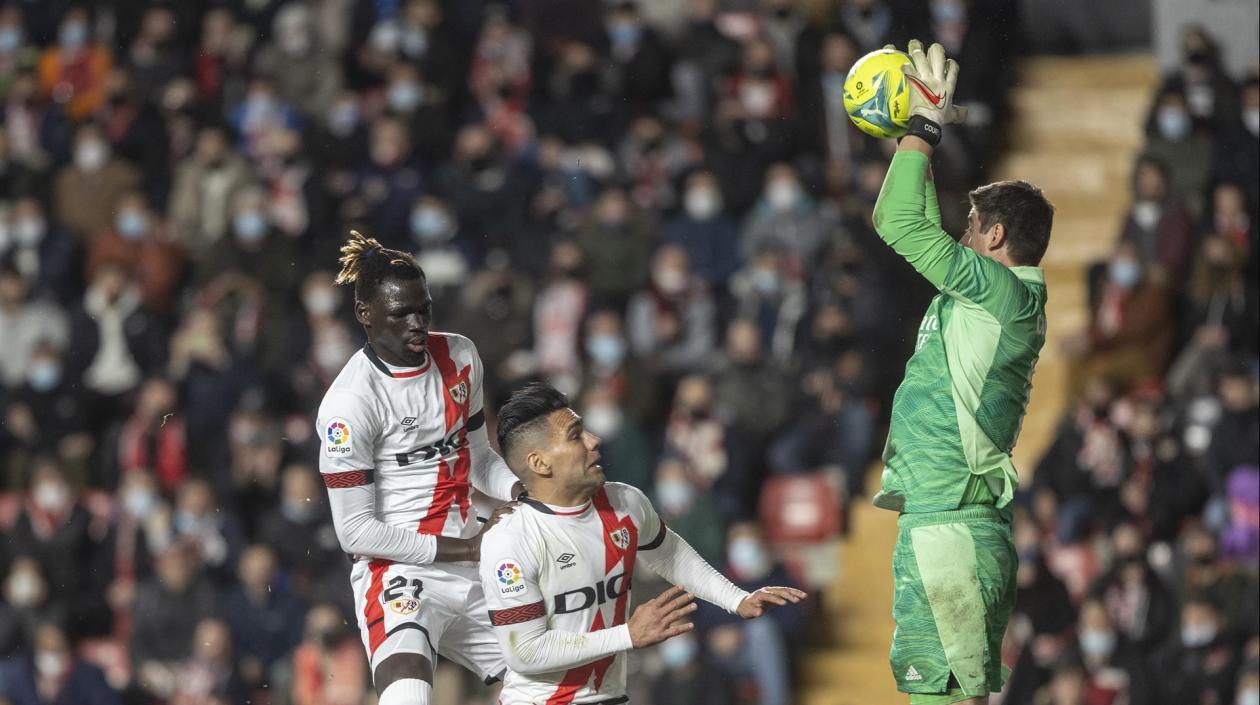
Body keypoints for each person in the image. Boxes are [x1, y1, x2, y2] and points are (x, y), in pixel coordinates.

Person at [871, 41, 1054, 704]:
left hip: (950, 530)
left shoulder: (999, 294)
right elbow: (912, 221)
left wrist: (922, 129)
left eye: (973, 226)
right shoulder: (999, 302)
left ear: (998, 237)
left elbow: (895, 220)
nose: (964, 236)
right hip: (955, 524)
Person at [480, 382, 805, 705]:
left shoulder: (626, 502)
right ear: (539, 463)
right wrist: (627, 635)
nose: (595, 440)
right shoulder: (511, 540)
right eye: (575, 435)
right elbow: (525, 651)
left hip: (610, 697)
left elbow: (670, 554)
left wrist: (737, 599)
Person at [315, 231, 522, 705]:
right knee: (408, 696)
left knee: (554, 687)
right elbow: (355, 532)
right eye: (399, 313)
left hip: (474, 564)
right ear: (364, 315)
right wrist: (467, 546)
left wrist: (521, 493)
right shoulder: (349, 403)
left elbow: (479, 458)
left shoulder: (461, 355)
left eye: (422, 309)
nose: (416, 323)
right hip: (399, 571)